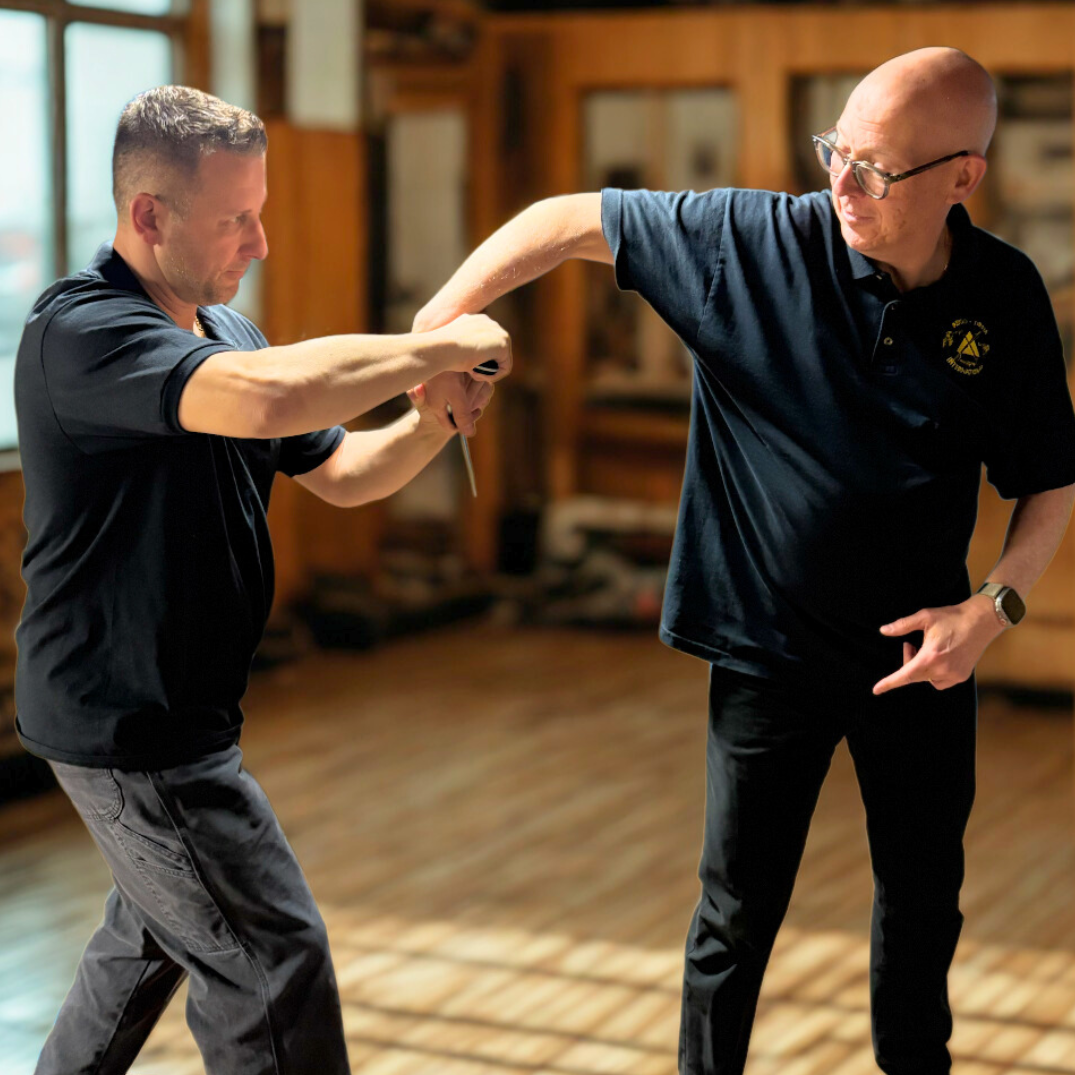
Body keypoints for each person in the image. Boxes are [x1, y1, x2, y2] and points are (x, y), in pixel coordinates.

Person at [413, 48, 1075, 1075]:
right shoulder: (749, 245)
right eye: (836, 154)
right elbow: (561, 219)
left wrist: (993, 604)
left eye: (878, 170)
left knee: (922, 902)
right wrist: (436, 330)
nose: (843, 187)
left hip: (925, 654)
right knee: (734, 917)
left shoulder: (1005, 296)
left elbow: (1049, 478)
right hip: (766, 650)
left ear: (962, 177)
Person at [16, 85, 510, 1074]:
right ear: (149, 216)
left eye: (263, 210)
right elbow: (273, 397)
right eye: (235, 218)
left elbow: (340, 474)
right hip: (130, 728)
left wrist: (426, 419)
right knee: (272, 966)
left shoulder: (226, 335)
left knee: (146, 946)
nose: (262, 241)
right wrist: (440, 345)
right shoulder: (83, 331)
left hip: (184, 715)